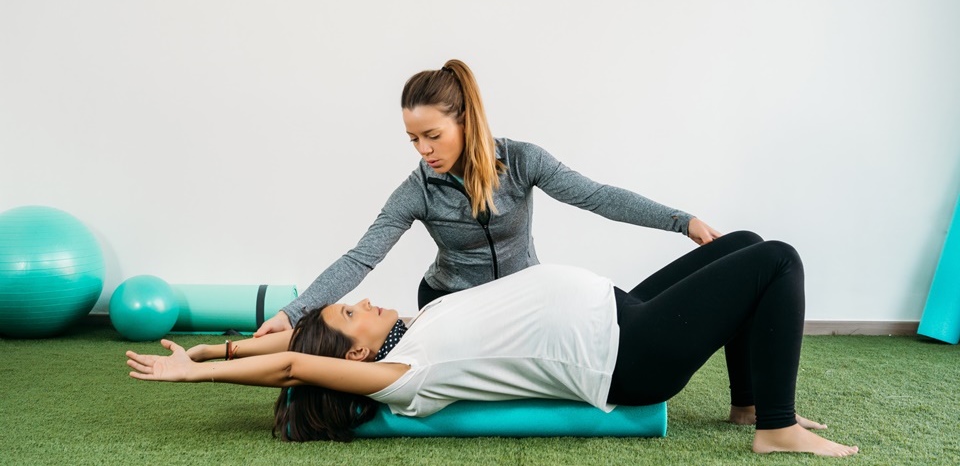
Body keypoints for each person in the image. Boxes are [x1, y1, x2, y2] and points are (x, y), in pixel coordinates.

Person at [126, 232, 859, 457]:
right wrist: (200, 368)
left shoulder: (413, 327)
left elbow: (290, 341)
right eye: (355, 313)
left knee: (745, 247)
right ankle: (776, 430)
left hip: (623, 312)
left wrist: (226, 344)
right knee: (778, 262)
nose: (369, 300)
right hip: (629, 358)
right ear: (353, 358)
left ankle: (749, 406)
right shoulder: (407, 375)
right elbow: (291, 362)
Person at [254, 58, 721, 337]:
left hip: (525, 293)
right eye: (413, 139)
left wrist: (683, 221)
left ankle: (748, 404)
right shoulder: (416, 191)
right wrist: (291, 313)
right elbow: (361, 259)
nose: (423, 151)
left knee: (623, 316)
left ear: (464, 121)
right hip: (452, 302)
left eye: (432, 135)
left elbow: (596, 196)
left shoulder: (522, 162)